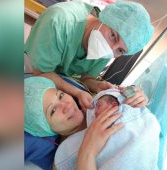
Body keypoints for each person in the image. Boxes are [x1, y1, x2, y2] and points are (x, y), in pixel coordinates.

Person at [25, 1, 154, 112]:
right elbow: (40, 71)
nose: (111, 48)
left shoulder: (106, 49)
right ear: (104, 19)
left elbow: (86, 77)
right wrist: (77, 92)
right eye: (113, 36)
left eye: (120, 50)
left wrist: (97, 86)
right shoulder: (60, 21)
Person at [25, 76, 157, 169]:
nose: (66, 105)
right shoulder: (64, 156)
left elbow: (134, 107)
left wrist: (136, 96)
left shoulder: (97, 101)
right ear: (45, 128)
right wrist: (88, 151)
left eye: (60, 95)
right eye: (53, 111)